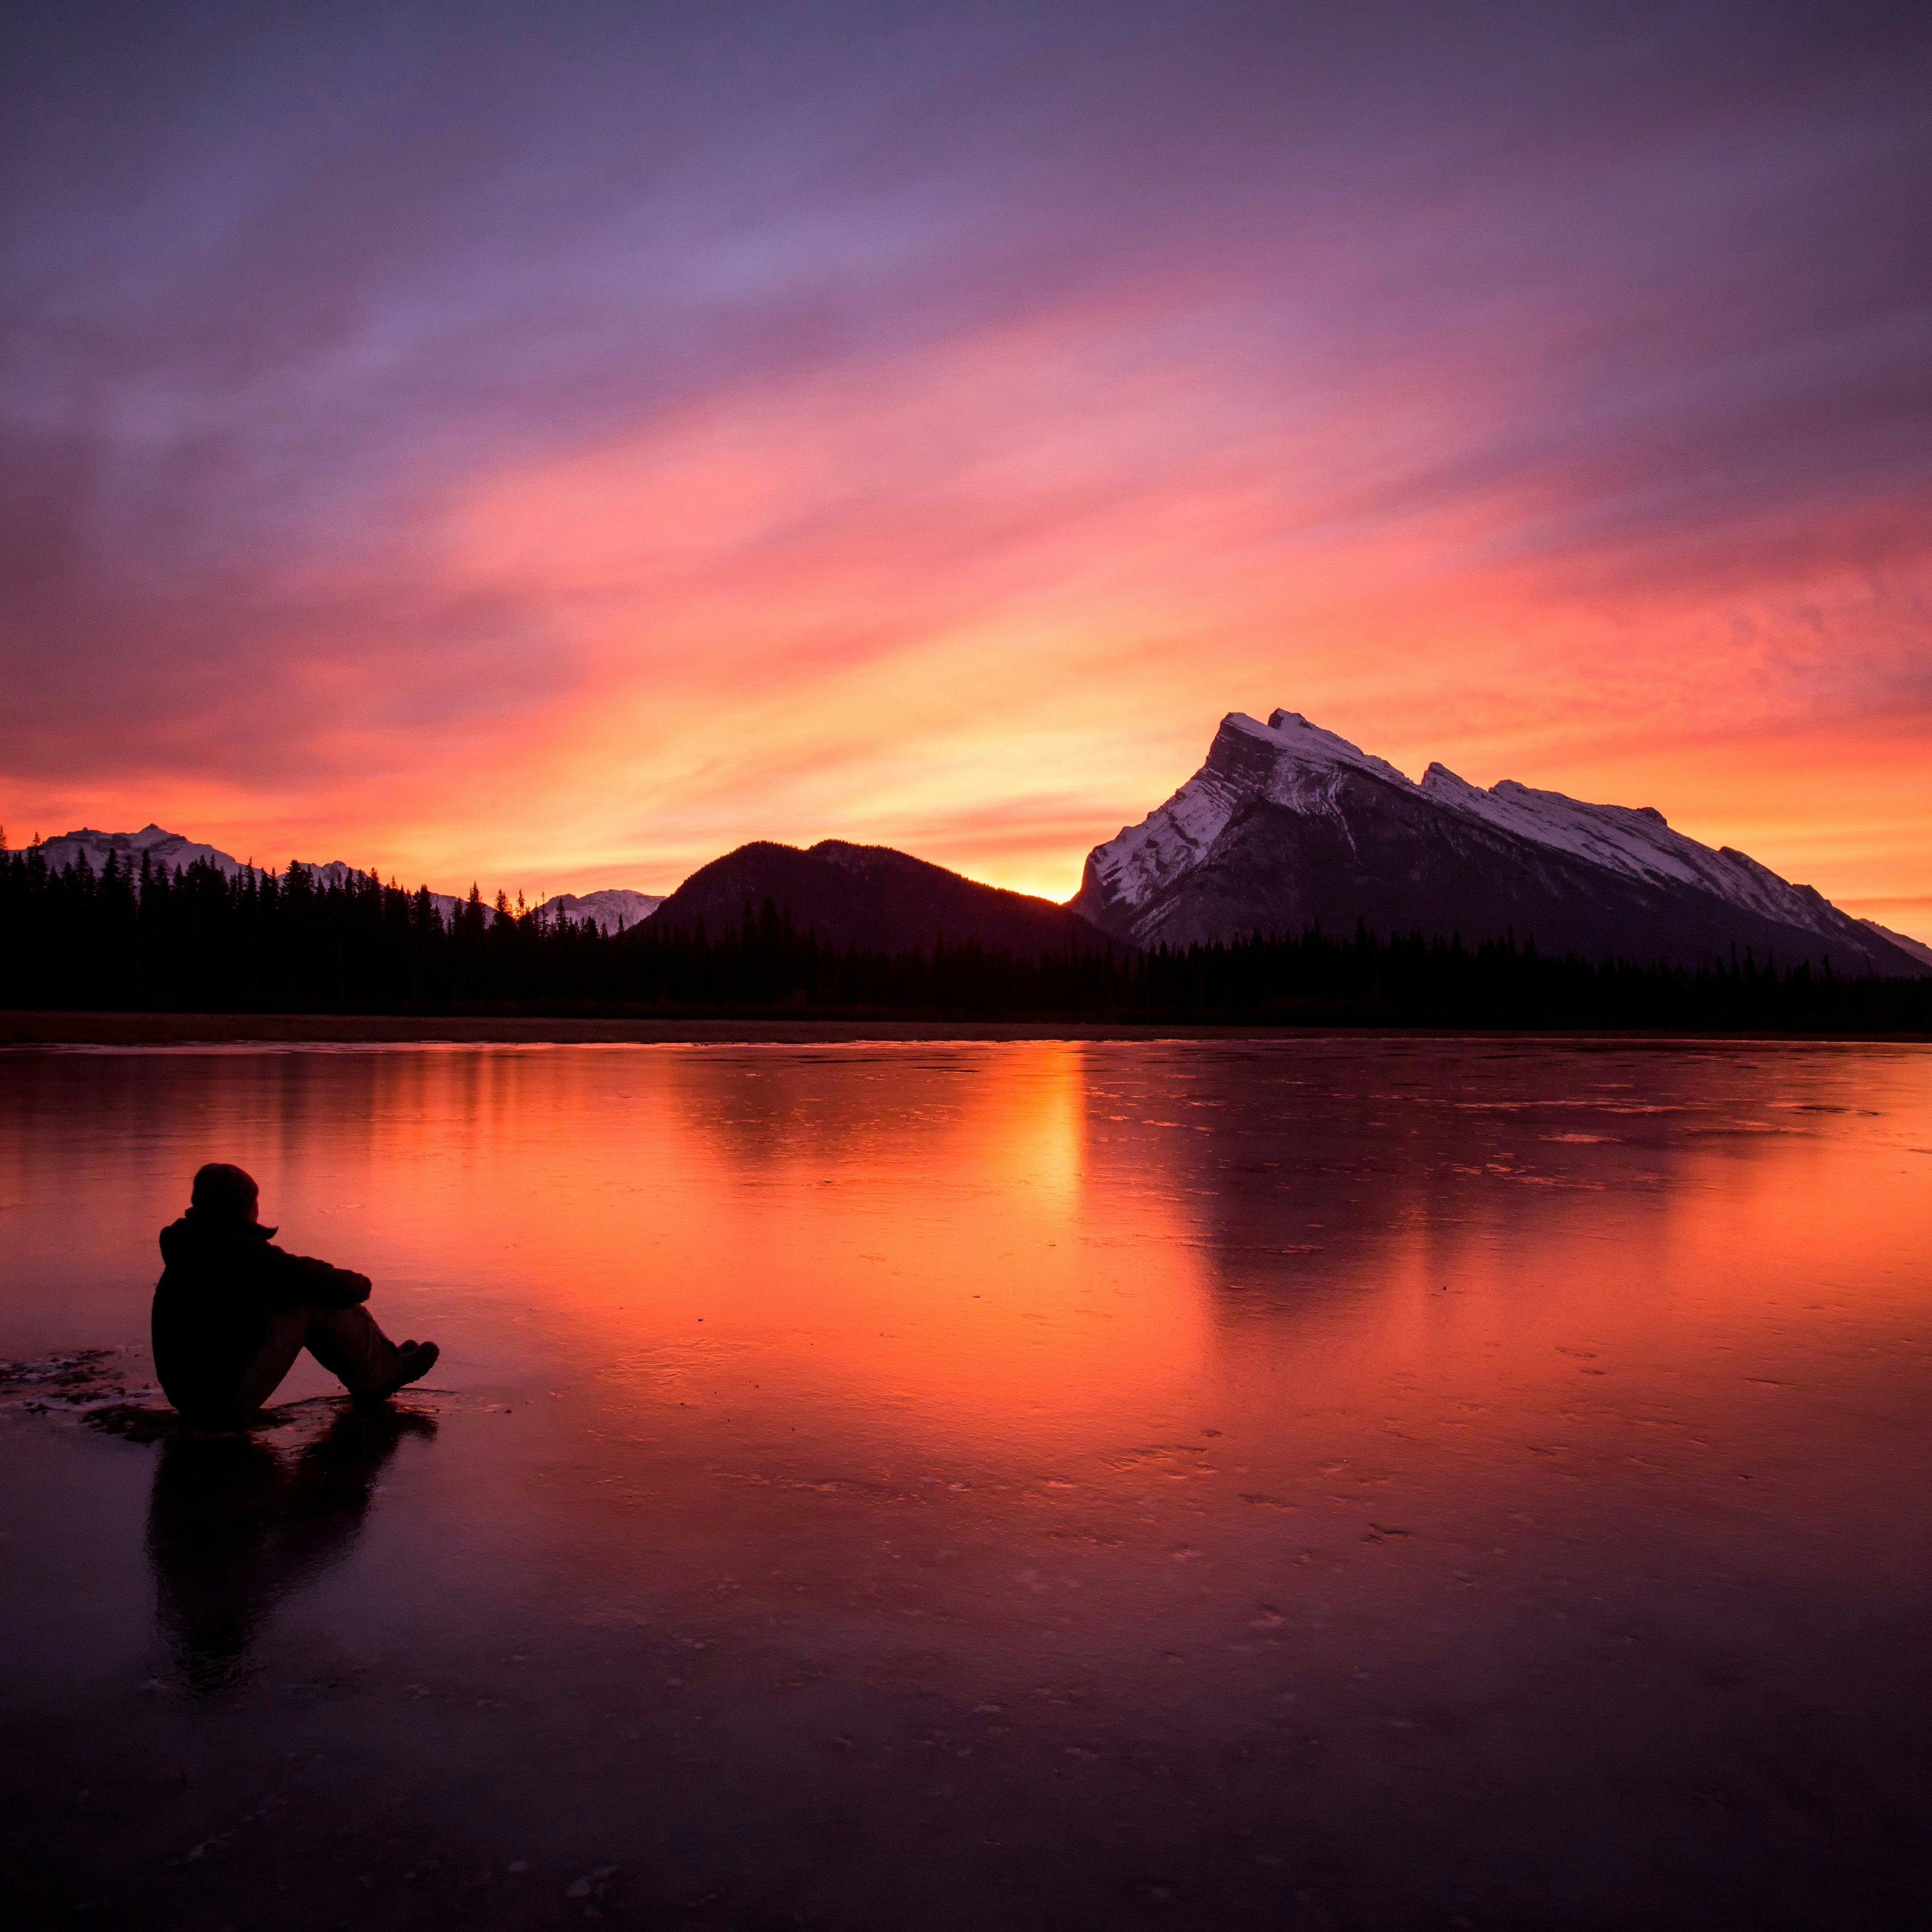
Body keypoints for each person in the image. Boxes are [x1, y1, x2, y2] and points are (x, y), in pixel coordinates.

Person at [153, 1162, 437, 1426]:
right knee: (314, 1303)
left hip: (192, 1398)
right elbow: (308, 1280)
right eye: (254, 1203)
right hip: (221, 1403)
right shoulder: (237, 1253)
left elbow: (290, 1272)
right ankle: (382, 1376)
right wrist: (360, 1284)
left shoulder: (193, 1244)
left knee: (300, 1293)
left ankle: (382, 1360)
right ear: (241, 1208)